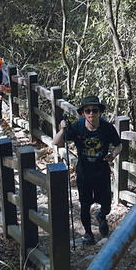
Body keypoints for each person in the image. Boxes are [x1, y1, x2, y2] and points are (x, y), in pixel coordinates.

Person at [53, 95, 122, 245]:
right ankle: (88, 234)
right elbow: (56, 142)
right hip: (84, 172)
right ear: (83, 113)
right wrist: (62, 129)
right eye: (88, 111)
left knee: (106, 204)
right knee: (85, 204)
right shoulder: (77, 126)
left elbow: (119, 145)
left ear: (99, 112)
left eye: (94, 110)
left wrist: (113, 155)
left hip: (102, 171)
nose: (91, 114)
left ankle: (101, 215)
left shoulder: (107, 128)